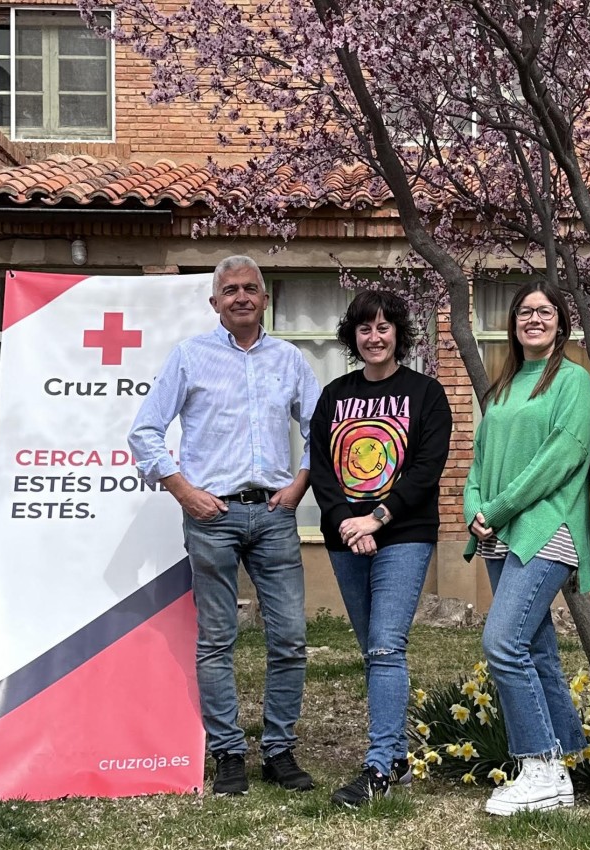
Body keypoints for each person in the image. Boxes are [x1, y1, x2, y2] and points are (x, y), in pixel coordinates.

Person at [127, 255, 320, 796]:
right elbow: (144, 432)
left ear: (265, 298)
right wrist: (185, 492)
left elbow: (321, 429)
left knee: (289, 639)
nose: (240, 297)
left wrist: (300, 483)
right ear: (214, 303)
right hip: (213, 519)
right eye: (229, 290)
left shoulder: (289, 359)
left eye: (250, 288)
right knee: (217, 640)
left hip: (275, 515)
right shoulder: (190, 357)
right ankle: (228, 752)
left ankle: (279, 751)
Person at [309, 290, 452, 807]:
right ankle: (395, 758)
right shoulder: (334, 395)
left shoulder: (426, 394)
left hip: (404, 534)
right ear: (353, 336)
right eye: (365, 328)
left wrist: (377, 517)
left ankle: (379, 766)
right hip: (346, 535)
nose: (374, 337)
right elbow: (323, 471)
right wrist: (350, 522)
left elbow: (424, 470)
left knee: (387, 644)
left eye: (384, 327)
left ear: (399, 335)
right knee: (373, 649)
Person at [463, 281, 590, 817]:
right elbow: (479, 459)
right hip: (498, 534)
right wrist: (477, 508)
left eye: (544, 311)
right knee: (535, 647)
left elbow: (559, 460)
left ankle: (539, 765)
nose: (533, 319)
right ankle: (561, 770)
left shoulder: (573, 382)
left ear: (560, 323)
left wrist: (494, 510)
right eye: (524, 311)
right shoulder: (502, 386)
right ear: (513, 323)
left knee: (502, 642)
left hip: (546, 529)